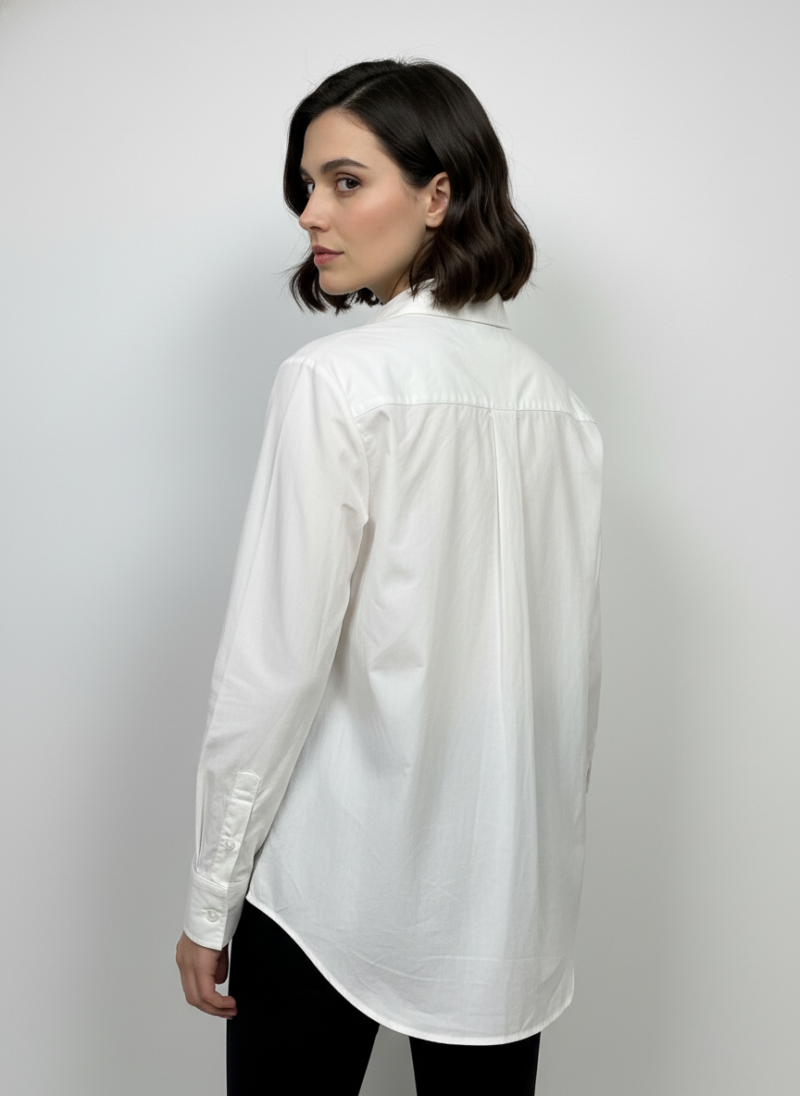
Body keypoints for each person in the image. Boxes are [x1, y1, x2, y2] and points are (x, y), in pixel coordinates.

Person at [176, 58, 602, 1095]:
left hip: (329, 893)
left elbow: (271, 667)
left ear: (438, 193)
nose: (311, 214)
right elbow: (567, 685)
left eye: (345, 181)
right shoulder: (558, 405)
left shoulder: (335, 382)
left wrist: (209, 897)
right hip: (501, 910)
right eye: (307, 185)